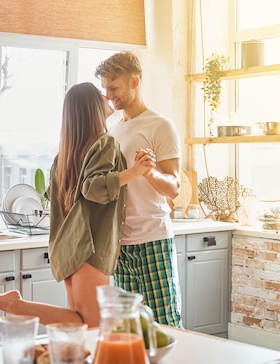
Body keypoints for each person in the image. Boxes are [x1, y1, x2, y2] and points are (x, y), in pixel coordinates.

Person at [0, 82, 153, 327]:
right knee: (90, 324)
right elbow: (92, 188)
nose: (107, 97)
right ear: (91, 107)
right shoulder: (105, 143)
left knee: (79, 325)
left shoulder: (66, 153)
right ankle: (17, 305)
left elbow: (59, 197)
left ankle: (20, 307)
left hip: (69, 245)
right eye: (101, 95)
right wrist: (135, 172)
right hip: (88, 246)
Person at [95, 51, 183, 327]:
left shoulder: (160, 126)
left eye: (114, 88)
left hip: (153, 239)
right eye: (105, 89)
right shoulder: (111, 131)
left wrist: (149, 172)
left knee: (164, 323)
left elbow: (174, 188)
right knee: (128, 327)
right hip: (120, 245)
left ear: (134, 82)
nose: (109, 95)